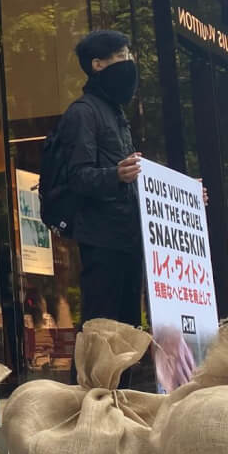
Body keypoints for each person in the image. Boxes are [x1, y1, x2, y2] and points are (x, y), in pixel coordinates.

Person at [50, 31, 144, 328]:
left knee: (128, 330)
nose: (128, 63)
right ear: (98, 65)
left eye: (128, 56)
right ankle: (91, 377)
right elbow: (78, 176)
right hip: (102, 239)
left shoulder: (116, 115)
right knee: (102, 329)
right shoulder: (83, 113)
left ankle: (119, 378)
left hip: (128, 237)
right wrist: (115, 175)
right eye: (120, 57)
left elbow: (132, 177)